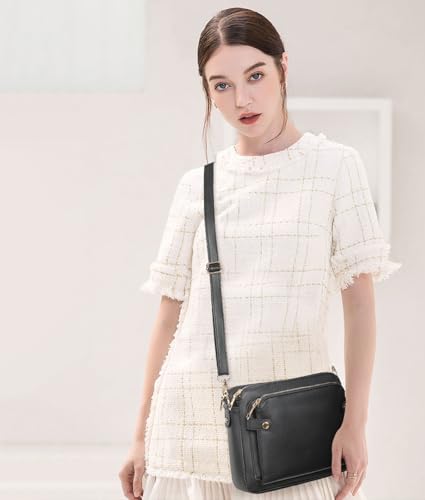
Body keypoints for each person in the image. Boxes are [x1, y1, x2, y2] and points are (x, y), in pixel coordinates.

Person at [118, 7, 402, 500]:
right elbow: (169, 315)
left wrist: (355, 422)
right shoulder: (197, 186)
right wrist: (140, 436)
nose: (242, 99)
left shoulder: (335, 168)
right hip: (186, 433)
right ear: (207, 90)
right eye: (222, 85)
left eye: (255, 76)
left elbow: (360, 308)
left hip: (288, 429)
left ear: (282, 67)